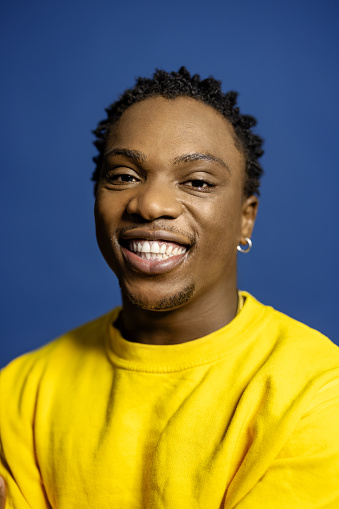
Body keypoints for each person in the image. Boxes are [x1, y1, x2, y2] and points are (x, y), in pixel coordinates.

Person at [1, 67, 339, 508]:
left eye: (197, 182)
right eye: (123, 175)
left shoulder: (315, 393)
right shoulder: (22, 390)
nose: (150, 204)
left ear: (245, 218)